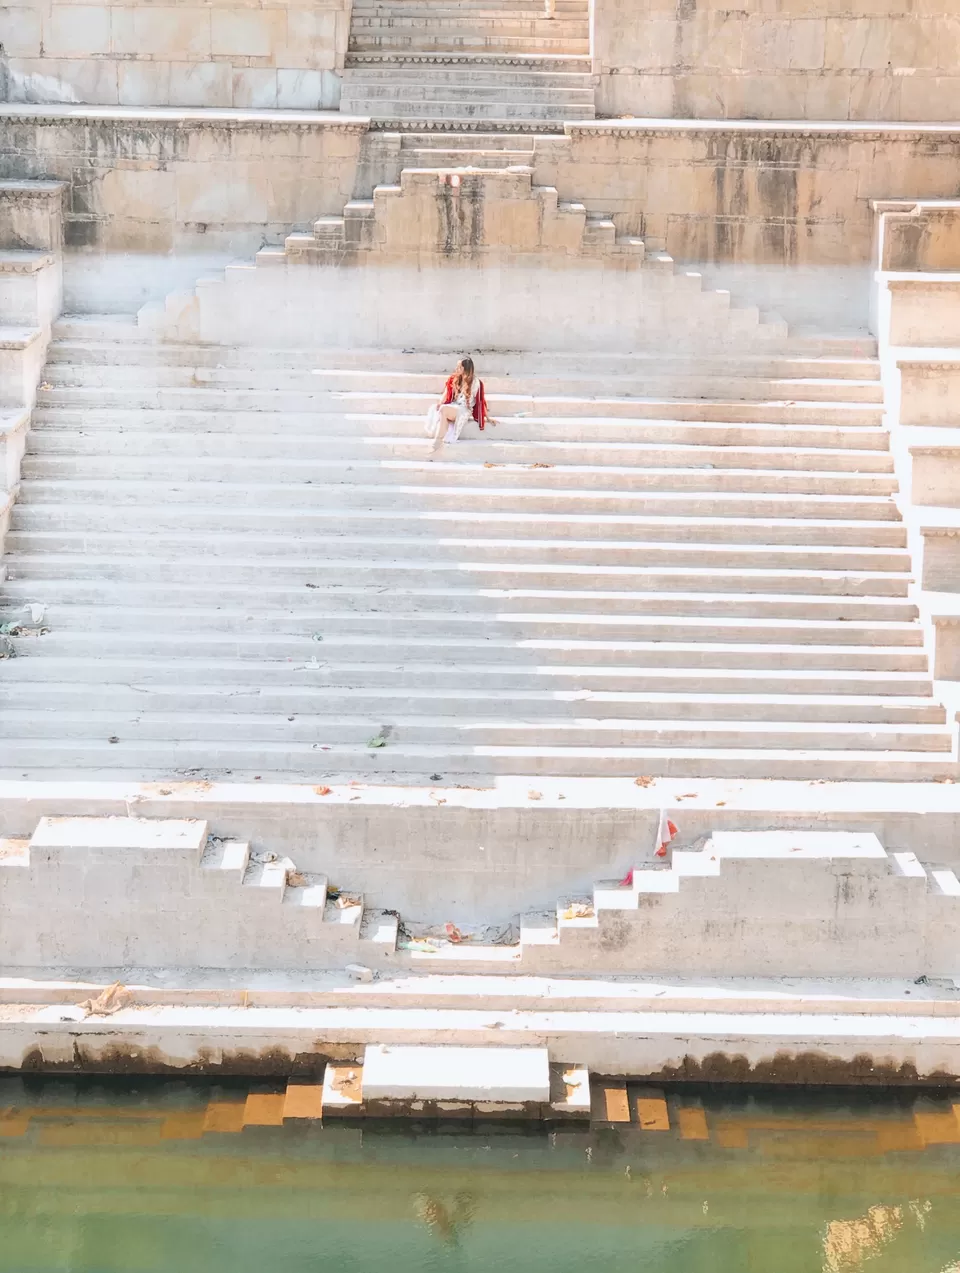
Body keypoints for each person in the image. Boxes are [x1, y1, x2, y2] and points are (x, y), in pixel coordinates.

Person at [426, 356, 489, 457]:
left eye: (459, 367)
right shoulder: (454, 378)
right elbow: (446, 393)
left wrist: (487, 417)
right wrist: (440, 402)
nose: (456, 369)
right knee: (437, 408)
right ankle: (439, 439)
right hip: (453, 405)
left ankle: (437, 442)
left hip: (464, 409)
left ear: (466, 369)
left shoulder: (476, 383)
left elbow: (481, 401)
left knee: (444, 410)